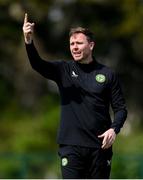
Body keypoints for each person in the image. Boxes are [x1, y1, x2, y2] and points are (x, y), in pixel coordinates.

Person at [23, 13, 127, 179]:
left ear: (91, 45)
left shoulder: (108, 74)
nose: (74, 47)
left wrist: (114, 129)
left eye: (79, 43)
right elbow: (38, 64)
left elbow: (121, 108)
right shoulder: (63, 70)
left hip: (100, 147)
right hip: (71, 146)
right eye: (72, 44)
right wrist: (29, 41)